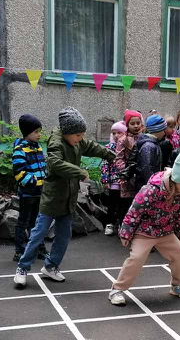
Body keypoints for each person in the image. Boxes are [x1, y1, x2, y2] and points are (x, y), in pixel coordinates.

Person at [14, 107, 115, 287]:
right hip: (52, 196)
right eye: (78, 135)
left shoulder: (75, 139)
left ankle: (50, 266)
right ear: (68, 132)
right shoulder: (56, 143)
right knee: (39, 232)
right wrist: (80, 172)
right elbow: (55, 163)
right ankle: (22, 267)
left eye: (82, 135)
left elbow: (90, 146)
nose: (80, 138)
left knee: (64, 235)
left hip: (69, 196)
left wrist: (110, 155)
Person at [109, 152, 180, 306]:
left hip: (165, 231)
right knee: (137, 258)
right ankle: (117, 289)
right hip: (145, 231)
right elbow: (135, 210)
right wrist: (125, 233)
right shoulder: (151, 190)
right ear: (177, 179)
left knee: (179, 252)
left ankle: (177, 285)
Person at [12, 114, 48, 262]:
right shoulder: (20, 149)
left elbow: (42, 166)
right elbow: (18, 172)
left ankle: (39, 248)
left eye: (40, 131)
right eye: (36, 132)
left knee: (37, 223)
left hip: (39, 191)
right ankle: (20, 251)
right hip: (28, 193)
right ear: (27, 132)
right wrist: (33, 182)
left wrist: (44, 178)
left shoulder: (38, 147)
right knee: (23, 222)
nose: (39, 134)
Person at [101, 121, 127, 236]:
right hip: (113, 181)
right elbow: (104, 164)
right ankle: (110, 223)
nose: (116, 135)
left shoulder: (127, 147)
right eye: (114, 133)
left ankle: (122, 224)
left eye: (119, 133)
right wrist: (105, 180)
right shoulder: (109, 148)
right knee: (112, 203)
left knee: (123, 204)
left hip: (125, 181)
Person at [115, 109, 143, 216]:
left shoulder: (144, 138)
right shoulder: (123, 140)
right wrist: (126, 172)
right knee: (127, 205)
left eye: (138, 123)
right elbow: (119, 159)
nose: (136, 126)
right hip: (127, 178)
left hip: (141, 176)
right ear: (127, 124)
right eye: (132, 123)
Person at [133, 114, 167, 190]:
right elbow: (146, 168)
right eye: (163, 130)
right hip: (147, 188)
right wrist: (153, 185)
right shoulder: (149, 146)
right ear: (158, 130)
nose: (164, 133)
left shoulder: (153, 144)